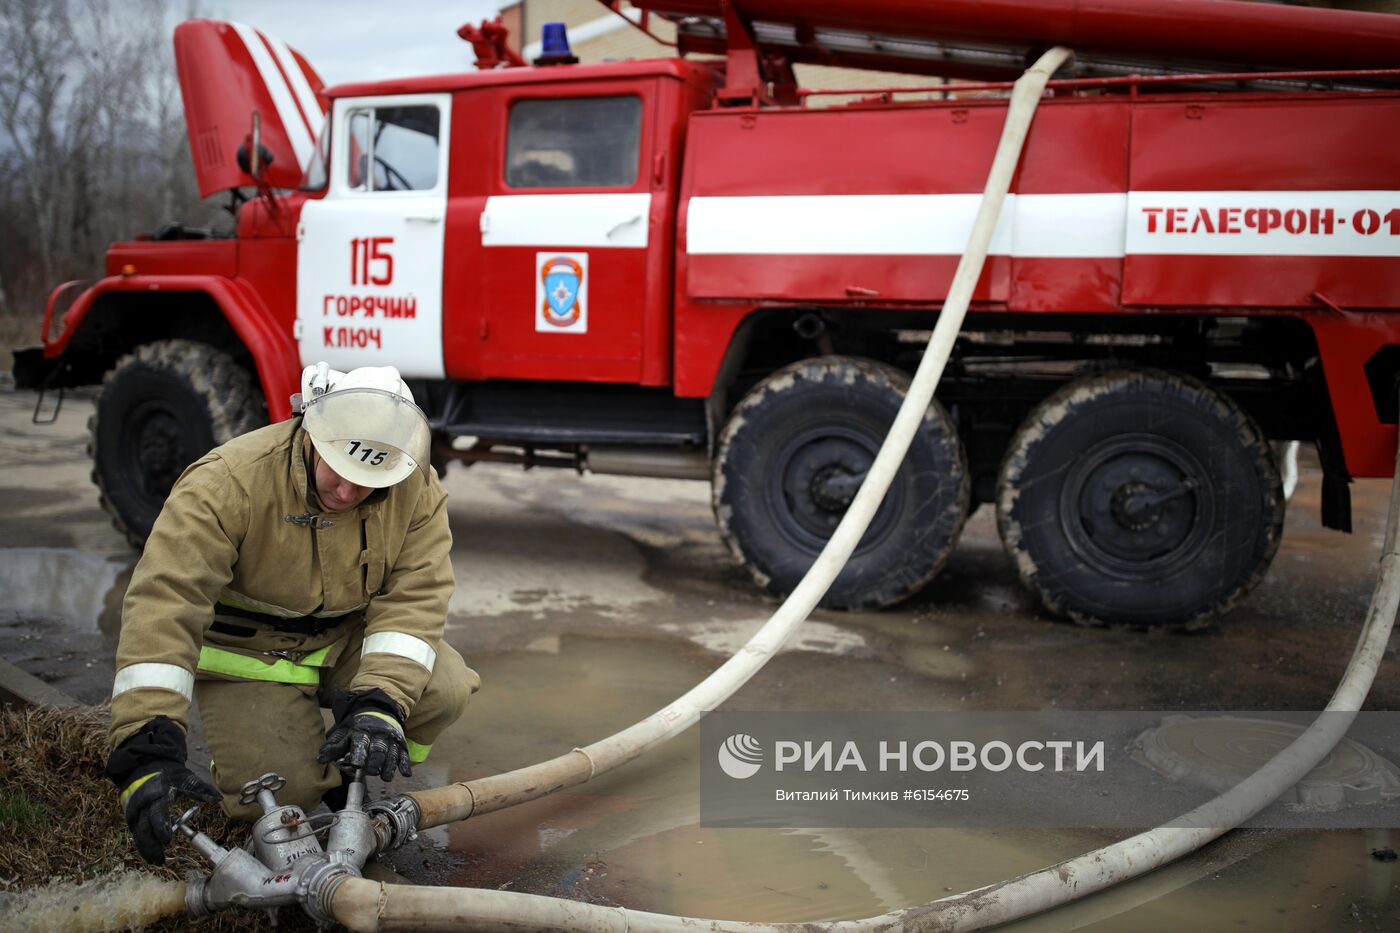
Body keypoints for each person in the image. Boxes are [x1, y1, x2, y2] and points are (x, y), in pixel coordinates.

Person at [103, 362, 478, 865]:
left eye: (366, 482)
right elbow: (166, 602)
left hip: (343, 642)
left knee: (444, 687)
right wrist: (147, 745)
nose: (347, 493)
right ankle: (298, 769)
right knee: (284, 797)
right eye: (338, 470)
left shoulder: (412, 486)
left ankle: (353, 770)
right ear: (311, 433)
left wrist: (381, 703)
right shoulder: (228, 483)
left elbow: (416, 598)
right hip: (249, 657)